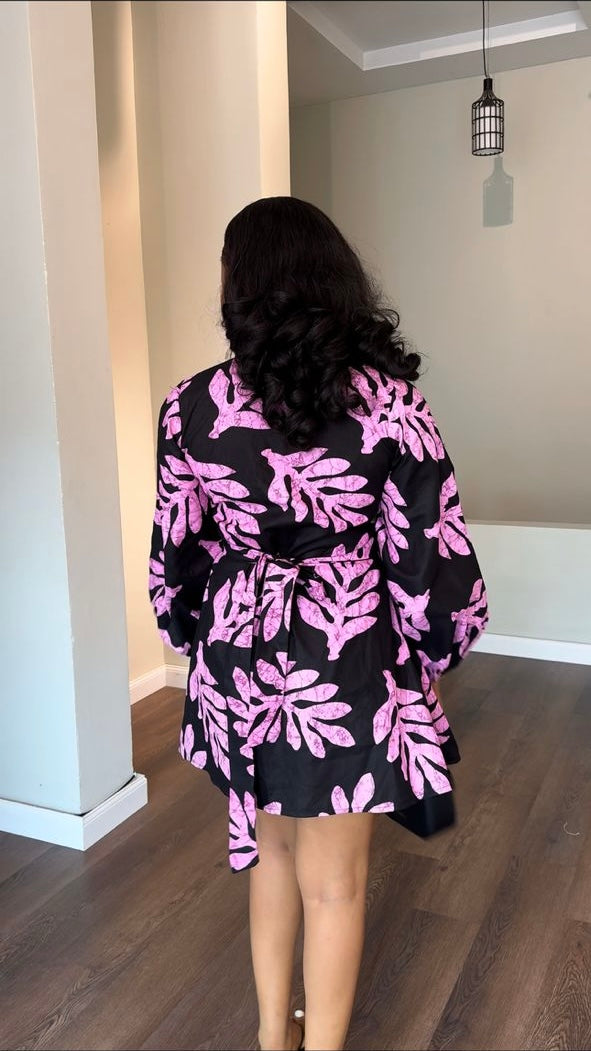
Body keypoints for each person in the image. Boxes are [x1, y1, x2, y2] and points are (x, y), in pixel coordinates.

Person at [149, 197, 488, 1051]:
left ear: (238, 283)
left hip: (238, 650)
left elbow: (176, 549)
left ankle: (275, 1035)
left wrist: (195, 633)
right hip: (345, 649)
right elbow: (427, 551)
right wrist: (435, 647)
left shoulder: (188, 407)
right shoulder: (390, 405)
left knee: (269, 851)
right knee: (334, 880)